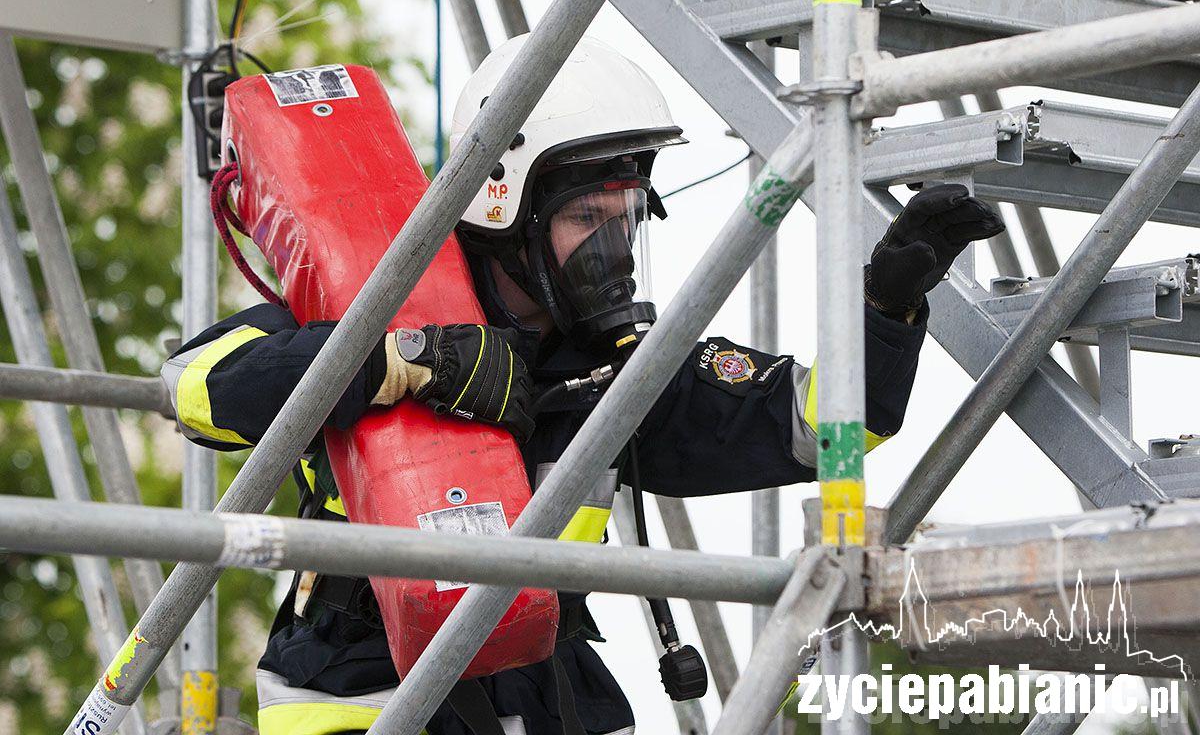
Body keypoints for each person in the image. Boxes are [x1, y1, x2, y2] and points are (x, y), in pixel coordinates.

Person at [162, 36, 1004, 735]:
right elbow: (195, 387)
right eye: (586, 217)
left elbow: (823, 429)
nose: (614, 246)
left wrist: (885, 310)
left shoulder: (621, 371)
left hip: (551, 693)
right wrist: (403, 359)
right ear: (504, 204)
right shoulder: (381, 302)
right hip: (361, 695)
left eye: (626, 215)